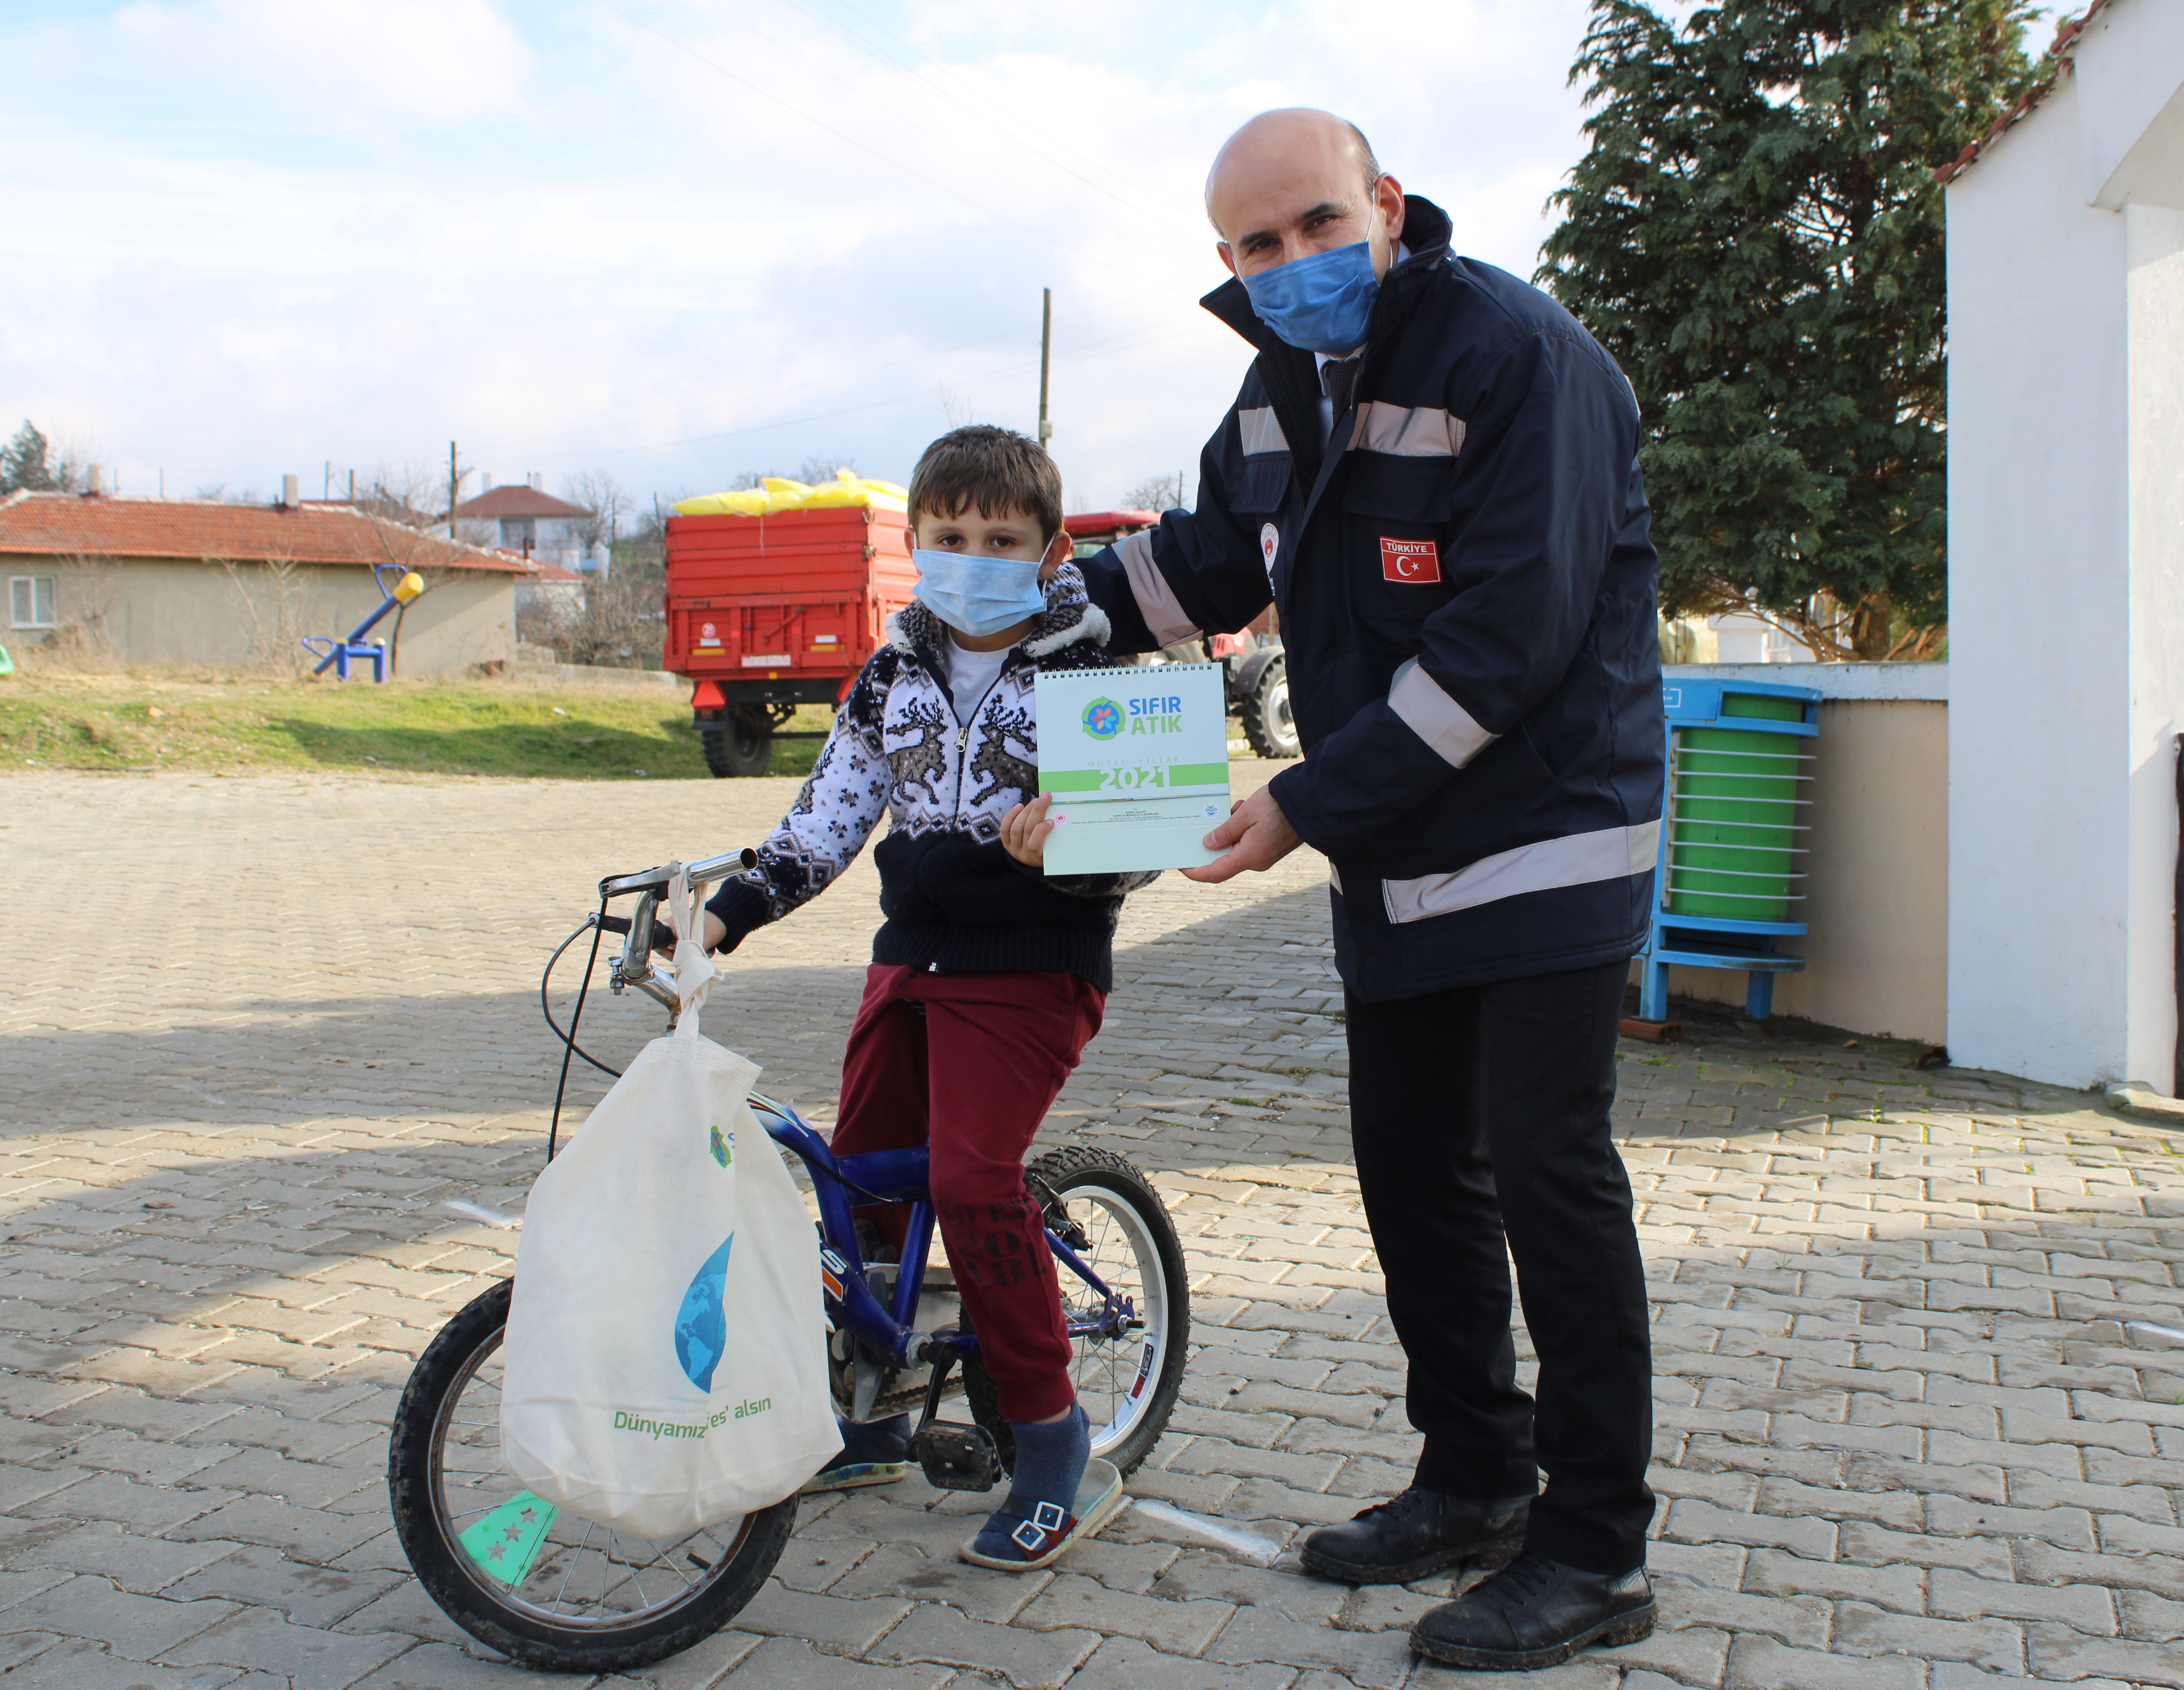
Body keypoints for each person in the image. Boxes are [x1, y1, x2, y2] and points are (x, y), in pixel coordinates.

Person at [1075, 110, 1666, 1671]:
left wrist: (1302, 801)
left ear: (1387, 205)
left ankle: (1596, 1546)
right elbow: (1202, 562)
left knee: (1549, 1170)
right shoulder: (1281, 380)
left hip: (1549, 835)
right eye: (1260, 247)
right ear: (1229, 262)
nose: (1296, 264)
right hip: (1400, 860)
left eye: (1320, 225)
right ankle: (1474, 1474)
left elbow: (1508, 638)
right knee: (1415, 1171)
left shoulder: (1515, 355)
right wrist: (1013, 610)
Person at [678, 424, 1153, 1572]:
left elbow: (1146, 834)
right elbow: (829, 815)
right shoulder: (889, 672)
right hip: (915, 957)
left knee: (971, 1175)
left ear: (1049, 553)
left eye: (1004, 537)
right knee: (860, 1176)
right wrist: (725, 912)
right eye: (952, 535)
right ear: (916, 542)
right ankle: (871, 1414)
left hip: (1035, 963)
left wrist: (1073, 853)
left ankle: (1055, 1445)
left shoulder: (1096, 674)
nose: (975, 554)